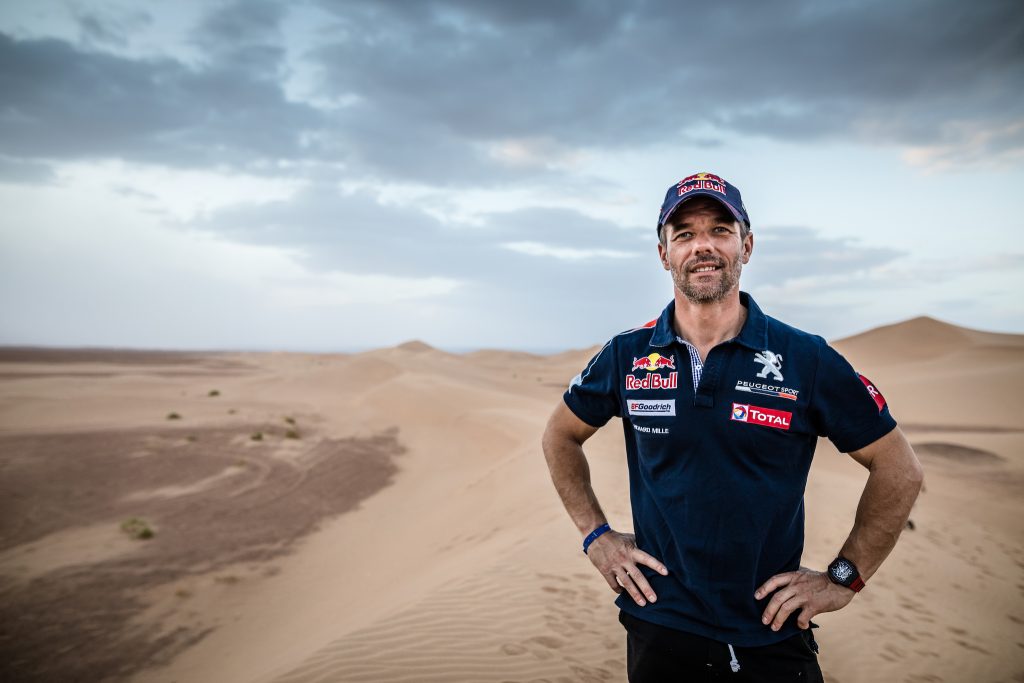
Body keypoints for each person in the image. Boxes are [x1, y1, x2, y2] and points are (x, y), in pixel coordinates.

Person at [541, 172, 924, 681]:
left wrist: (842, 578)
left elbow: (899, 469)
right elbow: (559, 436)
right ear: (663, 254)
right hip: (661, 627)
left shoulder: (804, 358)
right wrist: (597, 537)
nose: (703, 246)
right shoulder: (626, 355)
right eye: (684, 234)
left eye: (720, 230)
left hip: (770, 631)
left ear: (746, 245)